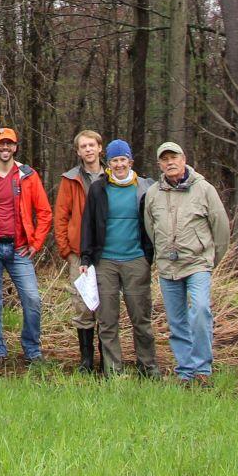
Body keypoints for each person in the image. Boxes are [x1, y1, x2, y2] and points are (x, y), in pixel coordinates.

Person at [140, 141, 229, 386]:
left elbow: (220, 227)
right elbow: (150, 228)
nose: (170, 162)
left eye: (174, 157)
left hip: (198, 263)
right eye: (165, 159)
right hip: (168, 266)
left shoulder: (204, 189)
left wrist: (212, 259)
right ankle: (185, 372)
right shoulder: (153, 194)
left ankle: (203, 369)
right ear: (159, 164)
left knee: (200, 310)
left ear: (184, 159)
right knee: (176, 321)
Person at [79, 140, 158, 378]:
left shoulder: (146, 188)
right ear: (108, 164)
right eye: (115, 160)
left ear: (130, 162)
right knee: (107, 320)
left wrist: (149, 256)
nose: (119, 164)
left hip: (136, 260)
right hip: (106, 262)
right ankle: (114, 370)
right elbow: (88, 225)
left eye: (123, 160)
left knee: (140, 318)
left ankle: (148, 366)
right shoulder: (98, 189)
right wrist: (86, 257)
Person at [0, 127, 51, 365]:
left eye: (9, 144)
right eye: (1, 144)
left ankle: (32, 350)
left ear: (15, 147)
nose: (5, 148)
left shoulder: (27, 175)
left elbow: (44, 212)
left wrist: (35, 243)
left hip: (20, 249)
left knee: (32, 299)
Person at [53, 129, 107, 372]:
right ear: (78, 151)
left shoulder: (112, 176)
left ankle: (107, 358)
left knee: (106, 305)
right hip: (78, 251)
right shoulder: (70, 179)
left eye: (91, 145)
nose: (88, 149)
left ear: (99, 148)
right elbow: (61, 216)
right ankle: (86, 359)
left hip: (107, 251)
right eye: (83, 146)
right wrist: (66, 249)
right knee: (83, 305)